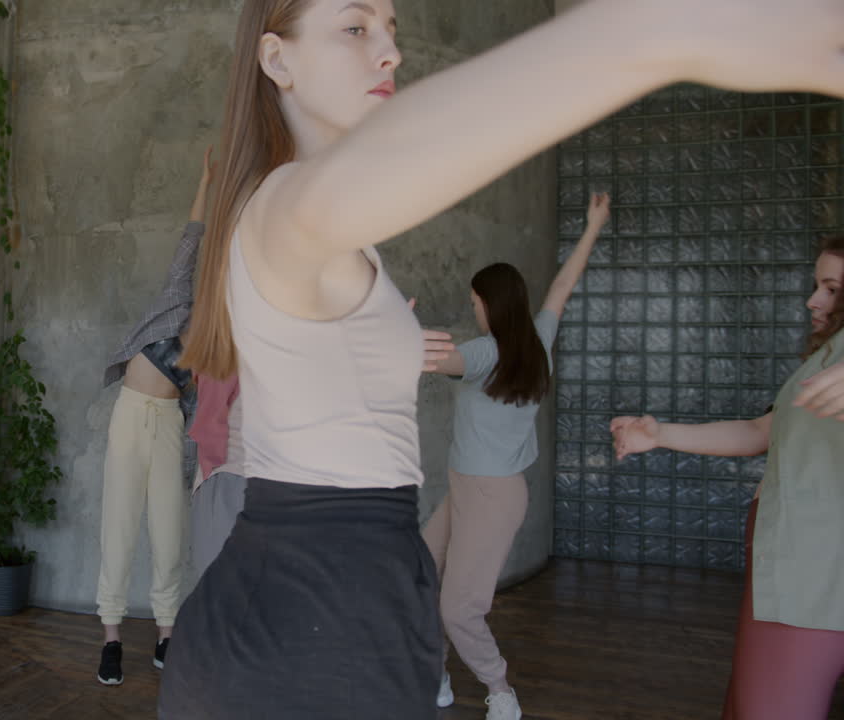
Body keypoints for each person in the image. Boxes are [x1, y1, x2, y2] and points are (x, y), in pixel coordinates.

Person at [158, 0, 844, 718]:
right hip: (306, 619)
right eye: (356, 27)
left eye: (393, 31)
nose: (389, 51)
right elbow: (404, 152)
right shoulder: (287, 205)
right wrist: (658, 33)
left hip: (334, 595)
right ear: (277, 60)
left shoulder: (314, 224)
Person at [611, 236, 844, 720]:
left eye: (832, 288)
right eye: (817, 285)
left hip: (812, 588)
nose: (814, 300)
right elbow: (759, 431)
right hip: (790, 576)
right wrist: (659, 435)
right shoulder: (824, 359)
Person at [421, 192, 609, 718]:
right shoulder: (537, 340)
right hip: (473, 490)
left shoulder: (484, 352)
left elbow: (438, 359)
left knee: (460, 608)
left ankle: (500, 690)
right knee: (421, 572)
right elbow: (562, 287)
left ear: (490, 303)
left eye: (474, 301)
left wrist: (392, 325)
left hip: (489, 497)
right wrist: (593, 226)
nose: (471, 308)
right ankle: (434, 672)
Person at [95, 149, 214, 685]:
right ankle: (112, 638)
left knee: (169, 534)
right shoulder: (174, 301)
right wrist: (207, 179)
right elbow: (192, 237)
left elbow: (208, 414)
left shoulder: (214, 355)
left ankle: (167, 634)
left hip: (168, 428)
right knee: (118, 528)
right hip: (129, 416)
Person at [187, 373, 244, 576]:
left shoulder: (222, 349)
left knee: (217, 584)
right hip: (277, 480)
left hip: (225, 476)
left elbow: (206, 422)